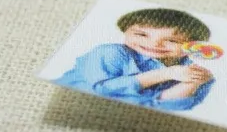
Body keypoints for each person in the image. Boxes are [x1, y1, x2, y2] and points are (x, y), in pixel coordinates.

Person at [55, 8, 216, 111]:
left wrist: (192, 82)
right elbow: (100, 90)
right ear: (125, 31)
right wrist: (166, 73)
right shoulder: (111, 53)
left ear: (194, 47)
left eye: (172, 40)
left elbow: (159, 107)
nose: (154, 44)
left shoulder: (191, 72)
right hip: (72, 104)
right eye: (141, 34)